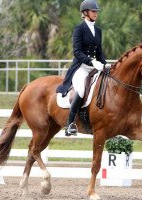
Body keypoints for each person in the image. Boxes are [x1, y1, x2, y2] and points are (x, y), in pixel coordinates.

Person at [56, 0, 110, 136]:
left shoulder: (98, 31)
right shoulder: (79, 29)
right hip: (81, 67)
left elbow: (99, 52)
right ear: (85, 13)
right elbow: (77, 52)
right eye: (93, 11)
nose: (96, 13)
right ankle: (70, 123)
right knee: (80, 90)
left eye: (96, 11)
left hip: (95, 67)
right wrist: (92, 62)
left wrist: (105, 64)